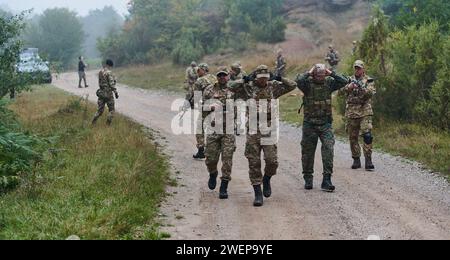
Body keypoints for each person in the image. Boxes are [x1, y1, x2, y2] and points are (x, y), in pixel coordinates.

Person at [229, 65, 297, 207]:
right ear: (256, 77)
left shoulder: (273, 87)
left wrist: (278, 77)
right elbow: (230, 87)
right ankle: (258, 192)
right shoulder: (248, 88)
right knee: (254, 162)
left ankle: (266, 179)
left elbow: (292, 85)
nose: (263, 81)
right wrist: (245, 79)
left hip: (268, 129)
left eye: (266, 78)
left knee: (272, 161)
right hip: (253, 129)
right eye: (260, 78)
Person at [296, 64, 349, 192]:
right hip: (310, 124)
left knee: (329, 149)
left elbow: (344, 81)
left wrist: (331, 73)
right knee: (308, 152)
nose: (320, 78)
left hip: (325, 124)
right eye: (318, 75)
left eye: (322, 75)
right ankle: (308, 178)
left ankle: (327, 179)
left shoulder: (329, 83)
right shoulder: (307, 84)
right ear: (313, 75)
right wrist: (309, 72)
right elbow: (297, 81)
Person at [203, 68, 236, 199]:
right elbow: (200, 106)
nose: (222, 77)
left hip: (228, 130)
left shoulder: (234, 89)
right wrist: (210, 107)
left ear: (228, 76)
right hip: (213, 128)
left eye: (224, 75)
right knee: (210, 158)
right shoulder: (209, 90)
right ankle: (213, 173)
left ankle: (224, 186)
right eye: (220, 75)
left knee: (227, 159)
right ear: (217, 77)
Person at [341, 60, 376, 171]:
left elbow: (371, 92)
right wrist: (348, 87)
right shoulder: (349, 79)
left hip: (365, 109)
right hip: (352, 111)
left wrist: (362, 87)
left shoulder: (368, 80)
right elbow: (341, 92)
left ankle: (368, 159)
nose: (357, 70)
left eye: (359, 68)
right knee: (353, 137)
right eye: (356, 68)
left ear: (363, 69)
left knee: (367, 135)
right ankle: (356, 159)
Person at [192, 63, 217, 160]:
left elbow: (197, 97)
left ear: (203, 70)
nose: (197, 72)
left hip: (206, 106)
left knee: (200, 126)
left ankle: (201, 150)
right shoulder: (214, 77)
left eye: (199, 70)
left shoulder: (199, 80)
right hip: (217, 105)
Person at [92, 59, 118, 125]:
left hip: (101, 93)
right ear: (110, 65)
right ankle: (107, 124)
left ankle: (93, 122)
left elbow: (100, 82)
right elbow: (112, 84)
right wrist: (115, 92)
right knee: (111, 110)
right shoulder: (109, 73)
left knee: (100, 110)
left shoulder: (100, 72)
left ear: (106, 64)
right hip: (108, 93)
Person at [229, 62, 247, 136]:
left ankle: (239, 127)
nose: (232, 71)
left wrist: (234, 82)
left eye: (233, 70)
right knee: (234, 112)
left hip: (241, 96)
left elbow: (235, 84)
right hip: (234, 96)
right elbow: (229, 83)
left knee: (239, 112)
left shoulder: (242, 74)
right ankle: (236, 126)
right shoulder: (232, 75)